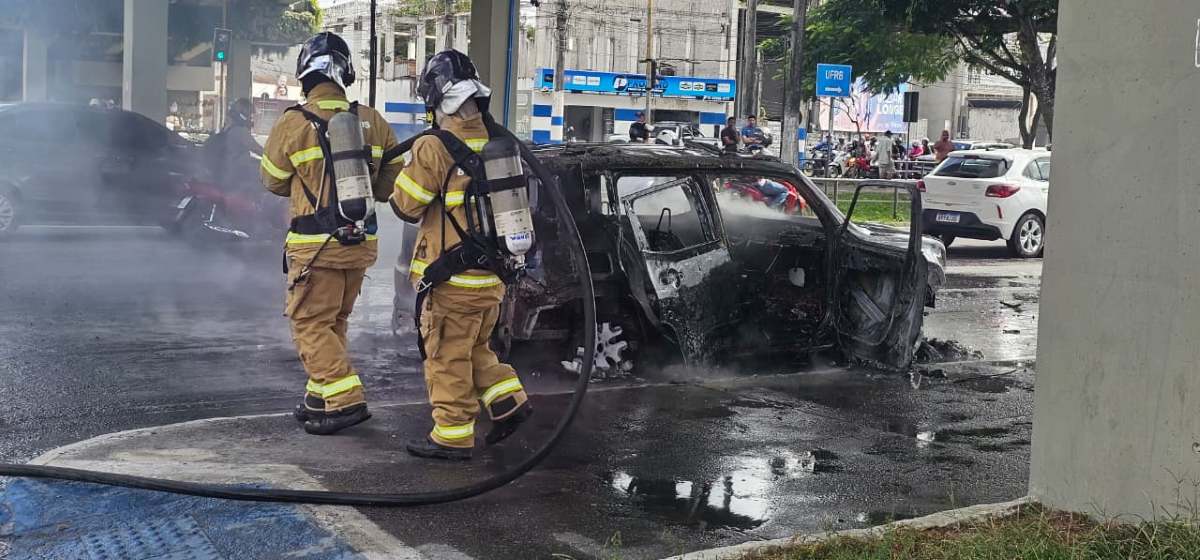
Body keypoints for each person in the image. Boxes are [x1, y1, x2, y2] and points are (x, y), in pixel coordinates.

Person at [389, 50, 533, 461]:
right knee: (475, 349)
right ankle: (510, 402)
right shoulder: (498, 142)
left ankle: (451, 435)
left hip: (452, 281)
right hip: (492, 280)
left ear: (436, 99)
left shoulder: (435, 146)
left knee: (446, 357)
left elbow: (405, 206)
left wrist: (408, 166)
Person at [260, 32, 403, 435]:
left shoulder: (293, 123)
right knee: (334, 321)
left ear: (305, 77)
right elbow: (390, 181)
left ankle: (344, 400)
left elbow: (271, 181)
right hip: (359, 246)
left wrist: (309, 180)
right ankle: (319, 396)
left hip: (314, 248)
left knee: (309, 323)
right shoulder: (372, 120)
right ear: (345, 75)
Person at [206, 98, 262, 194]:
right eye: (250, 115)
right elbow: (258, 150)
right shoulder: (240, 131)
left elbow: (235, 151)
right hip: (236, 179)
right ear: (243, 115)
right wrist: (276, 158)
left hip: (224, 175)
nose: (251, 119)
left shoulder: (227, 128)